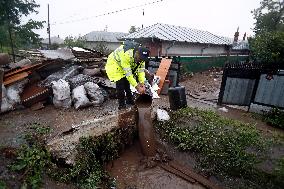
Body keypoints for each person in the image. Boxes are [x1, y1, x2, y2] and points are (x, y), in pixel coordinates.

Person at [105, 41, 150, 109]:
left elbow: (141, 72)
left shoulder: (142, 60)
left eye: (143, 59)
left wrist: (142, 83)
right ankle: (121, 105)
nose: (141, 61)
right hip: (114, 64)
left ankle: (129, 100)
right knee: (120, 84)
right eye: (140, 58)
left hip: (123, 65)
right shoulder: (126, 55)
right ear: (137, 53)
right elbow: (128, 74)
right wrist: (137, 87)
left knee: (127, 83)